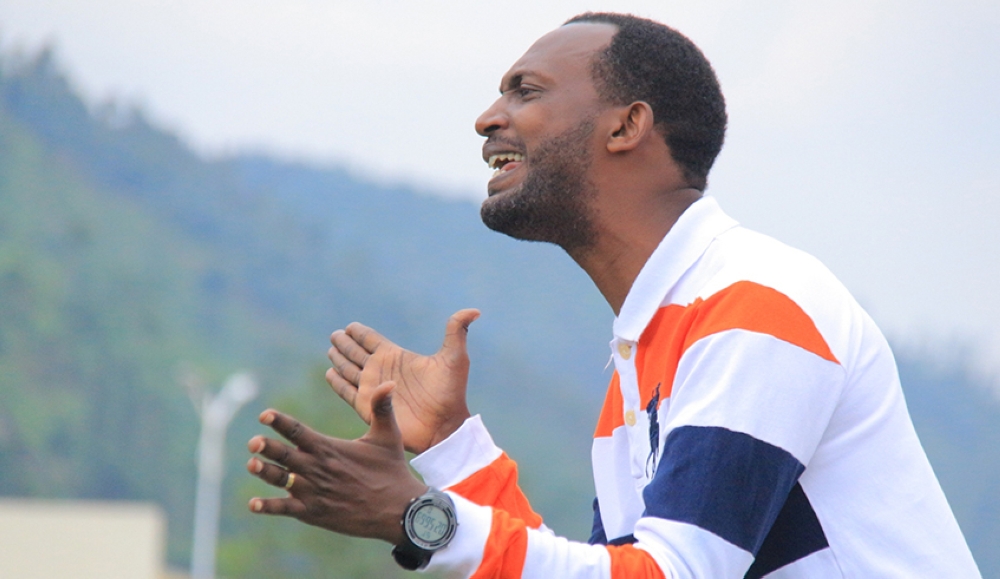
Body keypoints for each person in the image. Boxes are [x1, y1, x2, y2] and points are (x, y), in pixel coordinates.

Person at [245, 12, 981, 578]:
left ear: (627, 124)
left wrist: (418, 517)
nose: (487, 117)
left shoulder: (758, 305)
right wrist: (451, 448)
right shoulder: (639, 364)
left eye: (524, 90)